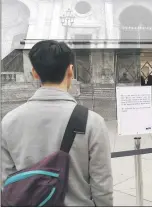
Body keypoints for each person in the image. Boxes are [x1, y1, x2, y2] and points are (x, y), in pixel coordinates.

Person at [1, 40, 113, 206]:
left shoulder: (9, 122)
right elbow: (102, 188)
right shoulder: (93, 123)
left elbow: (6, 183)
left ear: (34, 73)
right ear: (70, 70)